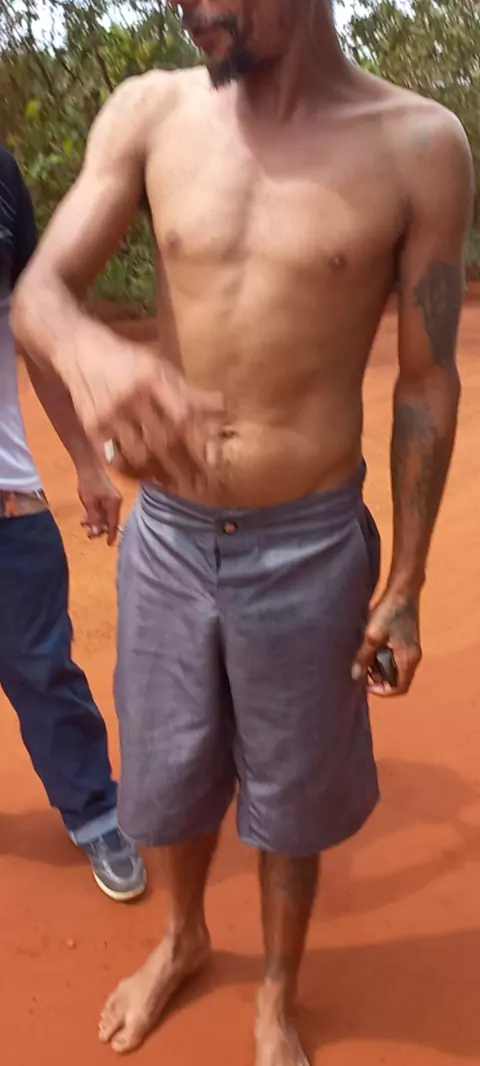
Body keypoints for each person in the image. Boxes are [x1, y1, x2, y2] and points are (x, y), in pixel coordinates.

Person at [11, 0, 472, 1060]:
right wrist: (92, 350)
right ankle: (181, 937)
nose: (191, 9)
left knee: (293, 793)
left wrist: (406, 581)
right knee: (166, 773)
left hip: (311, 545)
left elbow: (428, 377)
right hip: (169, 540)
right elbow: (39, 293)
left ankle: (276, 991)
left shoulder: (417, 145)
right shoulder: (151, 113)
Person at [0, 145, 146, 903]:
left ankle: (96, 814)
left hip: (7, 499)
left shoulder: (1, 177)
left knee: (44, 671)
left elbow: (37, 328)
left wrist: (87, 461)